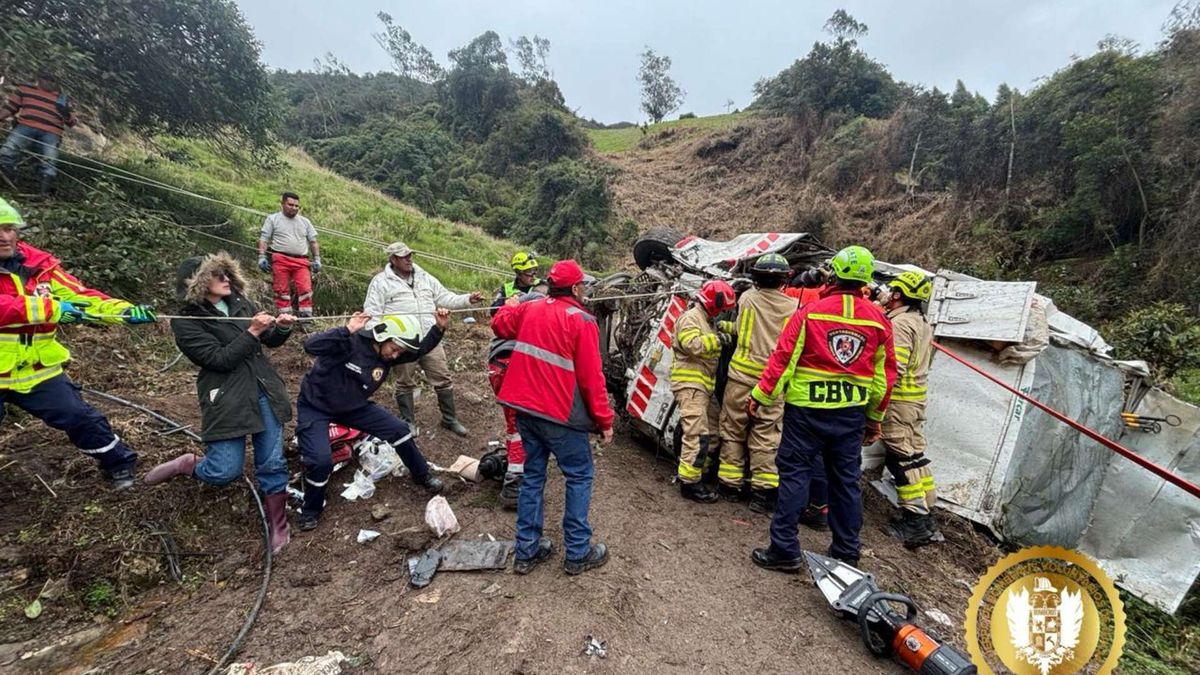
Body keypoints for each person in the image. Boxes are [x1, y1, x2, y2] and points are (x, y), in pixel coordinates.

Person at [748, 245, 896, 571]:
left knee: (794, 477)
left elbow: (783, 360)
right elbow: (884, 378)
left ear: (835, 274)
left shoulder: (810, 313)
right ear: (865, 280)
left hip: (806, 413)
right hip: (850, 416)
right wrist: (874, 420)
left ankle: (784, 550)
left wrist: (760, 397)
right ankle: (846, 553)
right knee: (845, 483)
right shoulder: (880, 322)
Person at [143, 252, 296, 554]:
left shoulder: (240, 304)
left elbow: (269, 342)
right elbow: (218, 359)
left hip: (263, 388)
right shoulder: (186, 322)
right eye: (217, 275)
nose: (226, 279)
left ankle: (278, 524)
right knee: (225, 470)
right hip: (225, 396)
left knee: (272, 462)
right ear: (198, 283)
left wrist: (281, 328)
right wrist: (252, 330)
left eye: (227, 274)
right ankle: (189, 464)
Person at [0, 197, 156, 488]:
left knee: (79, 416)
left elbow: (80, 296)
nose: (4, 235)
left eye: (9, 227)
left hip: (36, 368)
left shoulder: (39, 266)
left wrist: (123, 311)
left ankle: (119, 464)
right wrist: (53, 309)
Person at [492, 260, 614, 576]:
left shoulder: (530, 308)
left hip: (524, 411)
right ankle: (577, 553)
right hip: (559, 416)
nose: (585, 289)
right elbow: (592, 378)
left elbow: (500, 325)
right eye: (583, 285)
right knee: (579, 474)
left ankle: (526, 552)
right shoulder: (582, 321)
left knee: (533, 477)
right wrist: (605, 421)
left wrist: (510, 304)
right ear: (575, 288)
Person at [295, 311, 447, 531]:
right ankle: (311, 509)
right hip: (315, 406)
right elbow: (310, 345)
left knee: (399, 430)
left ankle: (422, 474)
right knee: (319, 461)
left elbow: (418, 351)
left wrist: (439, 328)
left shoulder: (388, 354)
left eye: (400, 351)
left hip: (353, 407)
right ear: (382, 337)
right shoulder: (349, 343)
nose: (396, 356)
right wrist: (346, 330)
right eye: (394, 349)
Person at [363, 242, 483, 436]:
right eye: (404, 256)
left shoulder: (424, 277)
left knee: (442, 377)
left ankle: (449, 419)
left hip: (430, 337)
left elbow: (445, 297)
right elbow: (372, 312)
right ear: (393, 259)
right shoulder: (380, 282)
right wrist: (378, 340)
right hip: (400, 342)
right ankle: (408, 423)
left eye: (410, 255)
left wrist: (467, 299)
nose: (409, 259)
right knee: (404, 382)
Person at [718, 253, 799, 512]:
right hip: (771, 382)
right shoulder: (793, 307)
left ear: (756, 277)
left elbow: (742, 330)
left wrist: (721, 326)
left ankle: (729, 485)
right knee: (766, 435)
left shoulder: (748, 298)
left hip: (740, 377)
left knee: (733, 429)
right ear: (785, 279)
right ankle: (762, 494)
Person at [879, 271, 938, 548]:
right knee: (915, 456)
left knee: (900, 459)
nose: (889, 294)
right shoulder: (922, 322)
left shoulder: (901, 324)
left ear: (899, 294)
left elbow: (894, 368)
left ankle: (914, 519)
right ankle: (927, 513)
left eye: (893, 291)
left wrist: (876, 400)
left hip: (899, 402)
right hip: (915, 402)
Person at [671, 279, 737, 503]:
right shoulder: (691, 318)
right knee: (696, 434)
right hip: (691, 386)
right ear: (714, 304)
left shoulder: (707, 320)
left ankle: (701, 472)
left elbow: (723, 328)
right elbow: (692, 344)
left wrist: (741, 327)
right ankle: (689, 483)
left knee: (714, 432)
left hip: (703, 387)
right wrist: (719, 340)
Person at [486, 282, 548, 509]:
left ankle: (515, 472)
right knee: (519, 428)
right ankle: (514, 487)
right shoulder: (537, 308)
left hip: (498, 367)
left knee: (514, 426)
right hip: (514, 367)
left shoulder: (512, 308)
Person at [0, 72, 77, 194]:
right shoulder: (24, 89)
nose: (49, 82)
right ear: (39, 78)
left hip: (51, 132)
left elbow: (72, 122)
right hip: (26, 126)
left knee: (49, 160)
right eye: (46, 78)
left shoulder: (63, 99)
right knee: (8, 150)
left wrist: (66, 113)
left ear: (56, 83)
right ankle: (8, 182)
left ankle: (43, 193)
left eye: (52, 80)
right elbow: (11, 107)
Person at [257, 192, 321, 321]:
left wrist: (317, 259)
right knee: (281, 290)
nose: (294, 208)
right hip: (280, 258)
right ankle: (285, 318)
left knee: (305, 289)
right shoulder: (273, 219)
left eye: (297, 206)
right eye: (290, 205)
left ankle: (306, 319)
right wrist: (262, 256)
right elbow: (264, 239)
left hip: (301, 260)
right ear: (283, 204)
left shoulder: (305, 222)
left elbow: (313, 242)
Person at [489, 251, 541, 316]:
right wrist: (508, 303)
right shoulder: (506, 288)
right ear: (519, 273)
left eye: (535, 270)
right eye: (529, 271)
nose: (533, 275)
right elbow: (493, 311)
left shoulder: (541, 285)